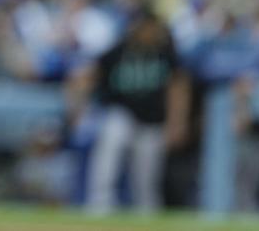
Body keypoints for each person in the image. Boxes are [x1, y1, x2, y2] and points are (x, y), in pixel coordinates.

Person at [80, 11, 191, 214]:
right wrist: (81, 110)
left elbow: (178, 87)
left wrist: (176, 123)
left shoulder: (165, 53)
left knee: (147, 176)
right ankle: (99, 206)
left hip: (153, 119)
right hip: (121, 112)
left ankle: (147, 213)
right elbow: (87, 75)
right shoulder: (117, 51)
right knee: (112, 139)